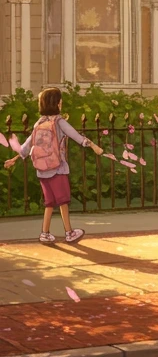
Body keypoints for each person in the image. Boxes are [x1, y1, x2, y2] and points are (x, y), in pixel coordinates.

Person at [3, 87, 105, 244]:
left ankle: (45, 233)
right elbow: (76, 136)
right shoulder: (59, 122)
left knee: (49, 203)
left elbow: (27, 146)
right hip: (58, 168)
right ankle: (69, 232)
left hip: (42, 170)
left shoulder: (39, 122)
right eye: (59, 100)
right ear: (57, 103)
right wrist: (93, 145)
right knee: (63, 201)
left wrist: (14, 159)